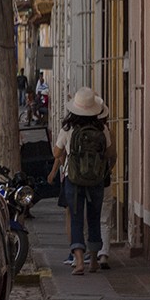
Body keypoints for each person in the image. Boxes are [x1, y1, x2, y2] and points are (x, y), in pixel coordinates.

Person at [50, 87, 115, 273]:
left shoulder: (68, 128)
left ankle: (79, 262)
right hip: (96, 180)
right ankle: (94, 260)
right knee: (94, 218)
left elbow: (56, 152)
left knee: (76, 219)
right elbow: (111, 153)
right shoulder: (102, 129)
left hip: (74, 179)